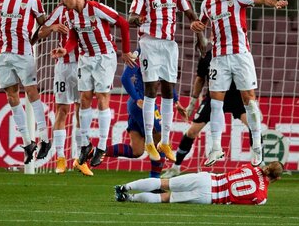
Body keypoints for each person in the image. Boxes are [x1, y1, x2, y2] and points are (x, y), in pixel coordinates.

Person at [191, 0, 288, 166]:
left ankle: (258, 149)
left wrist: (274, 2)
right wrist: (196, 27)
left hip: (240, 56)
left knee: (249, 100)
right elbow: (201, 24)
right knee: (215, 101)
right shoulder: (206, 4)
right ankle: (216, 148)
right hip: (218, 58)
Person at [128, 0, 206, 162]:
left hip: (169, 45)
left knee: (169, 90)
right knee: (151, 88)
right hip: (149, 43)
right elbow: (131, 17)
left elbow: (190, 14)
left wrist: (200, 39)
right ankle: (148, 142)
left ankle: (165, 141)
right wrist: (139, 19)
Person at [52, 0, 136, 168]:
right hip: (85, 58)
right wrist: (66, 50)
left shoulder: (97, 8)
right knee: (84, 99)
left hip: (104, 57)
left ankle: (102, 146)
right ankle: (85, 144)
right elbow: (73, 37)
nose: (62, 2)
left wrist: (125, 50)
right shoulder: (69, 14)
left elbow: (122, 22)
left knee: (102, 98)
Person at [162, 49, 259, 178]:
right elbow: (200, 79)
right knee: (192, 131)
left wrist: (252, 100)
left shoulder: (239, 52)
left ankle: (259, 167)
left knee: (254, 127)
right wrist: (192, 103)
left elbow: (247, 78)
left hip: (237, 97)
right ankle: (176, 167)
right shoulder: (207, 56)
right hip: (214, 97)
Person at [0, 0, 51, 165]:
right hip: (2, 53)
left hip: (23, 53)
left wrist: (33, 40)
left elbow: (44, 24)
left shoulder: (32, 0)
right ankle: (28, 142)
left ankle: (44, 138)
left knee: (31, 92)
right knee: (11, 96)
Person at [37, 0, 93, 176]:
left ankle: (80, 159)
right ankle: (60, 158)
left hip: (83, 65)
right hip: (63, 67)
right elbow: (41, 31)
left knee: (80, 110)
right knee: (62, 109)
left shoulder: (92, 11)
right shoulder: (60, 11)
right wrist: (53, 28)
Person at [106, 49, 188, 178]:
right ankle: (154, 182)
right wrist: (137, 98)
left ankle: (95, 153)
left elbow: (167, 82)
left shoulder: (162, 51)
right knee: (160, 138)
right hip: (141, 103)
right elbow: (125, 78)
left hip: (144, 104)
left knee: (136, 150)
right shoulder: (142, 52)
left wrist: (176, 102)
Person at [115, 161, 283, 205]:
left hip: (208, 179)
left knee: (164, 182)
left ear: (268, 167)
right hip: (210, 197)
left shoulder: (251, 168)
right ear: (277, 178)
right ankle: (129, 199)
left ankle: (126, 187)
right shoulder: (262, 198)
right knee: (165, 198)